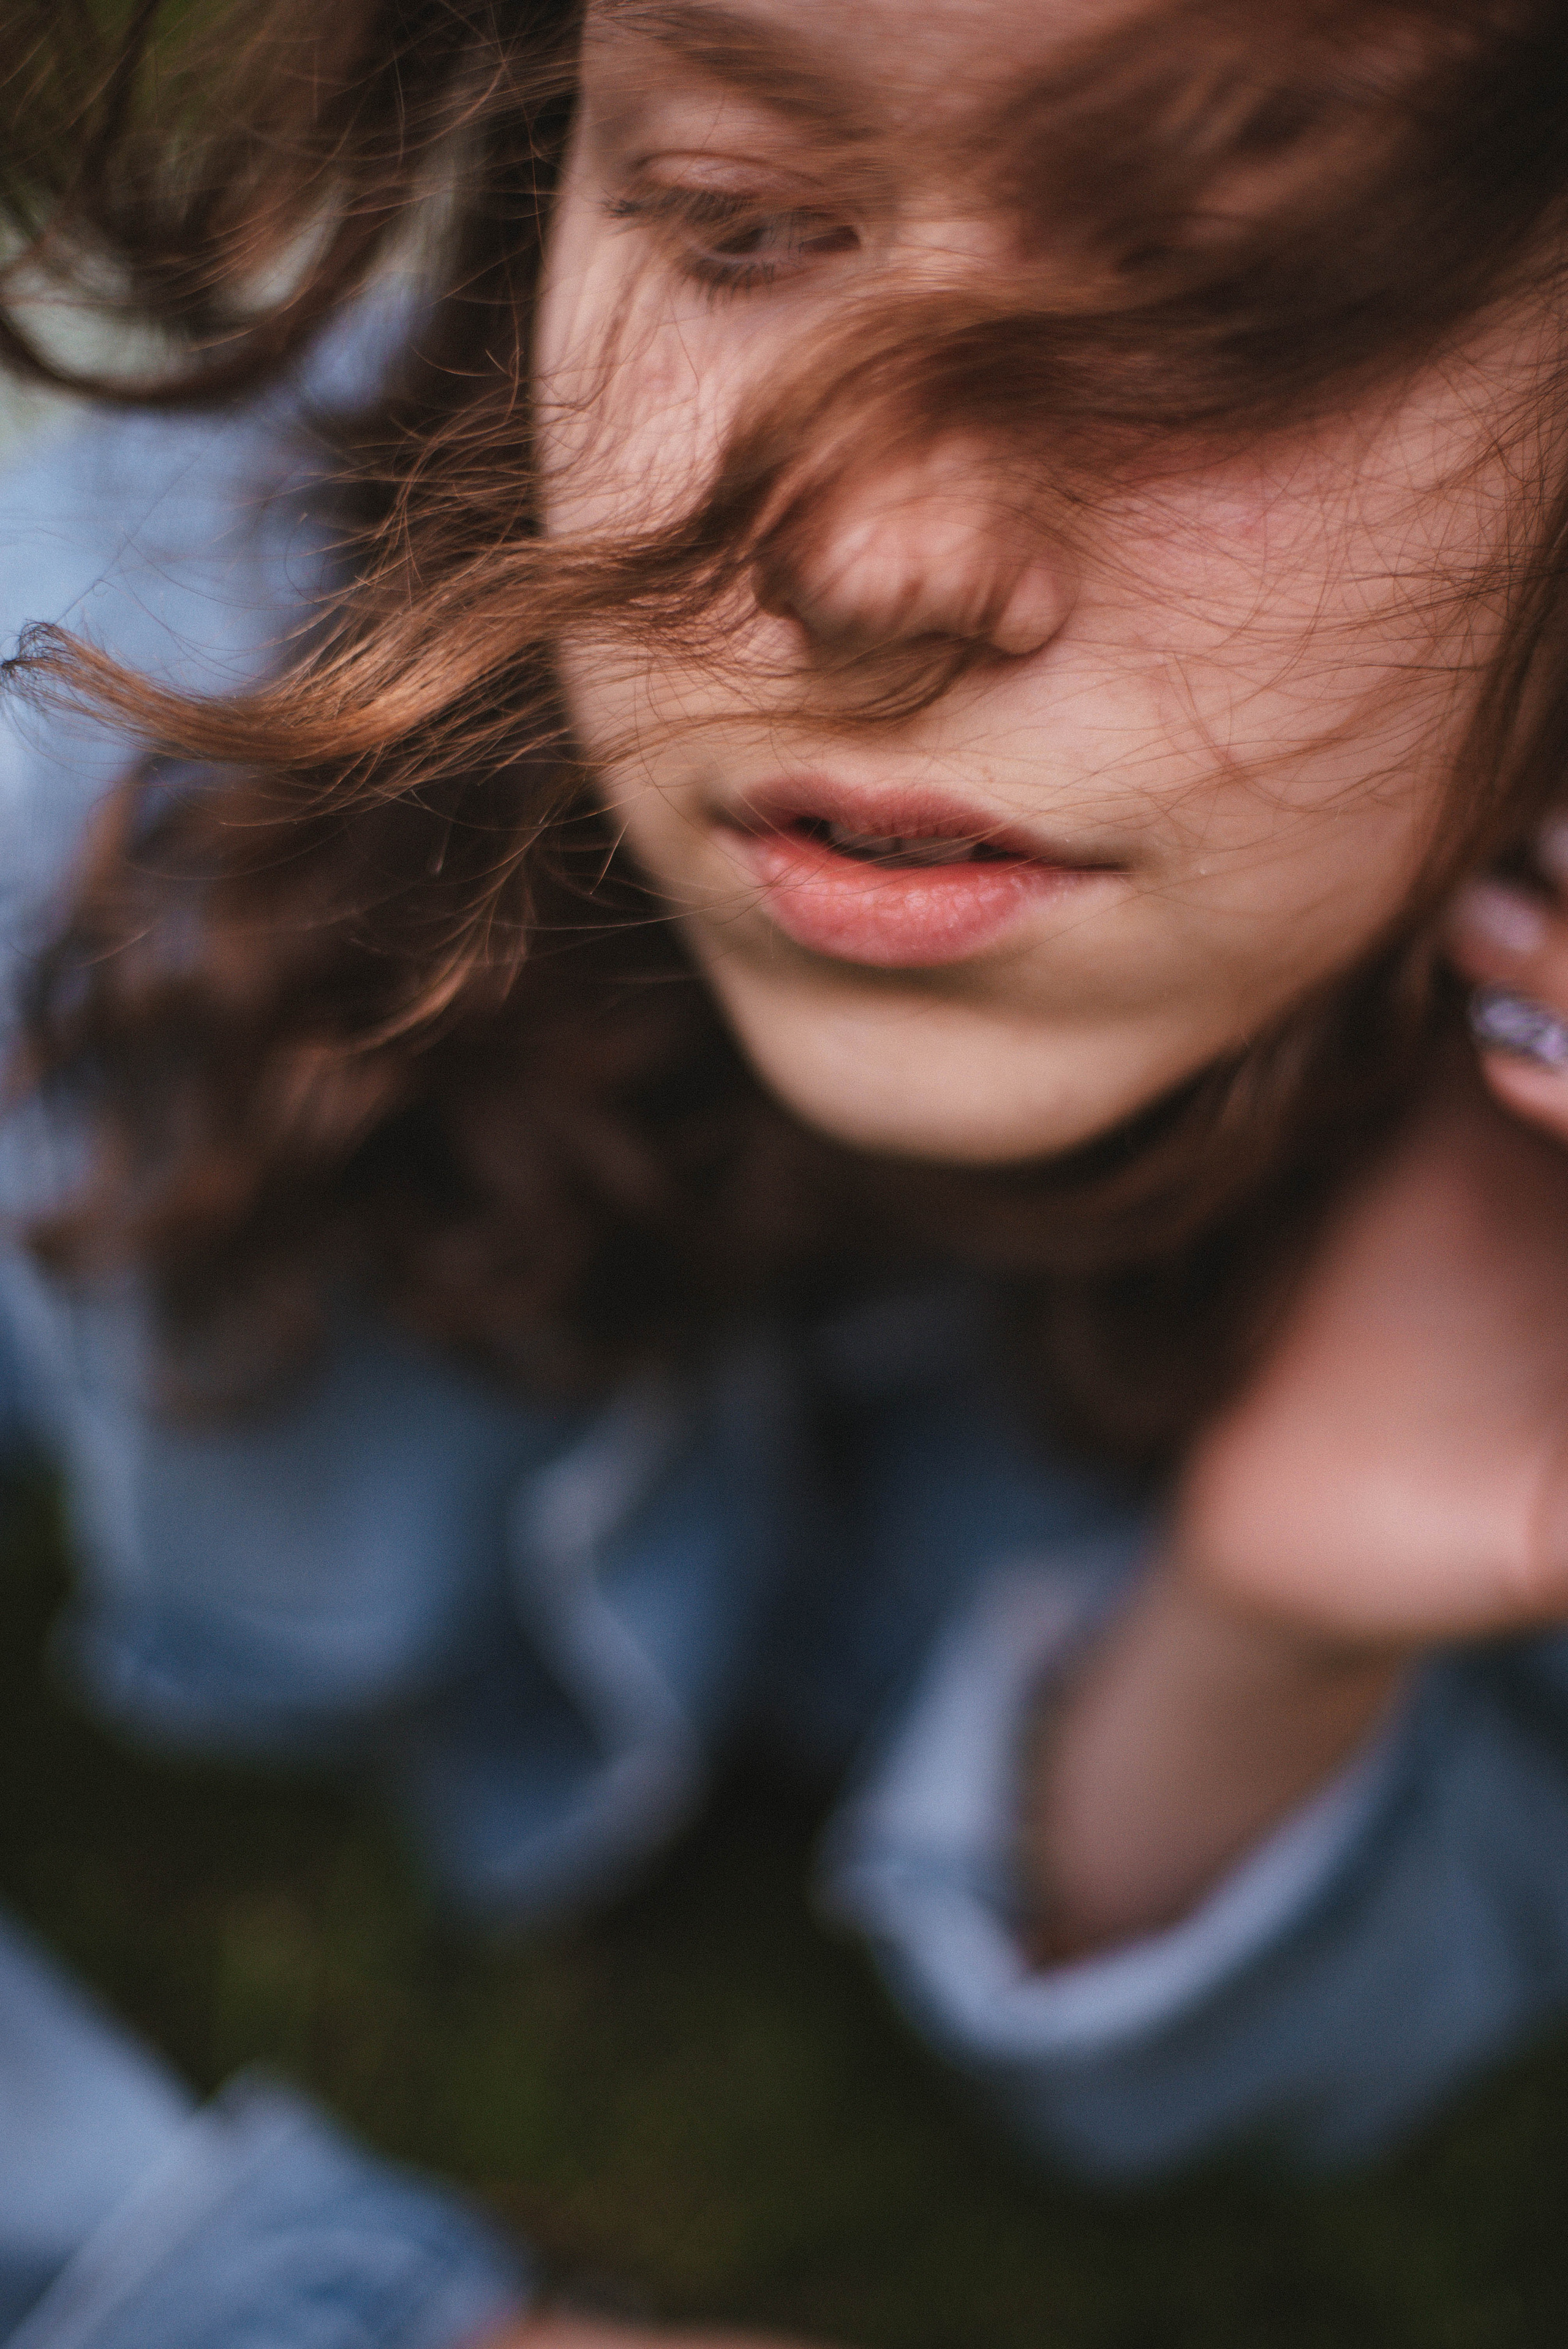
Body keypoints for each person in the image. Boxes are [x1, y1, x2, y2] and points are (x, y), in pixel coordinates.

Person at [4, 0, 1568, 2341]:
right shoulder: (110, 716)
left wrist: (1285, 1619)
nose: (871, 556)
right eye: (738, 225)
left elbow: (1301, 2079)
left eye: (1221, 319)